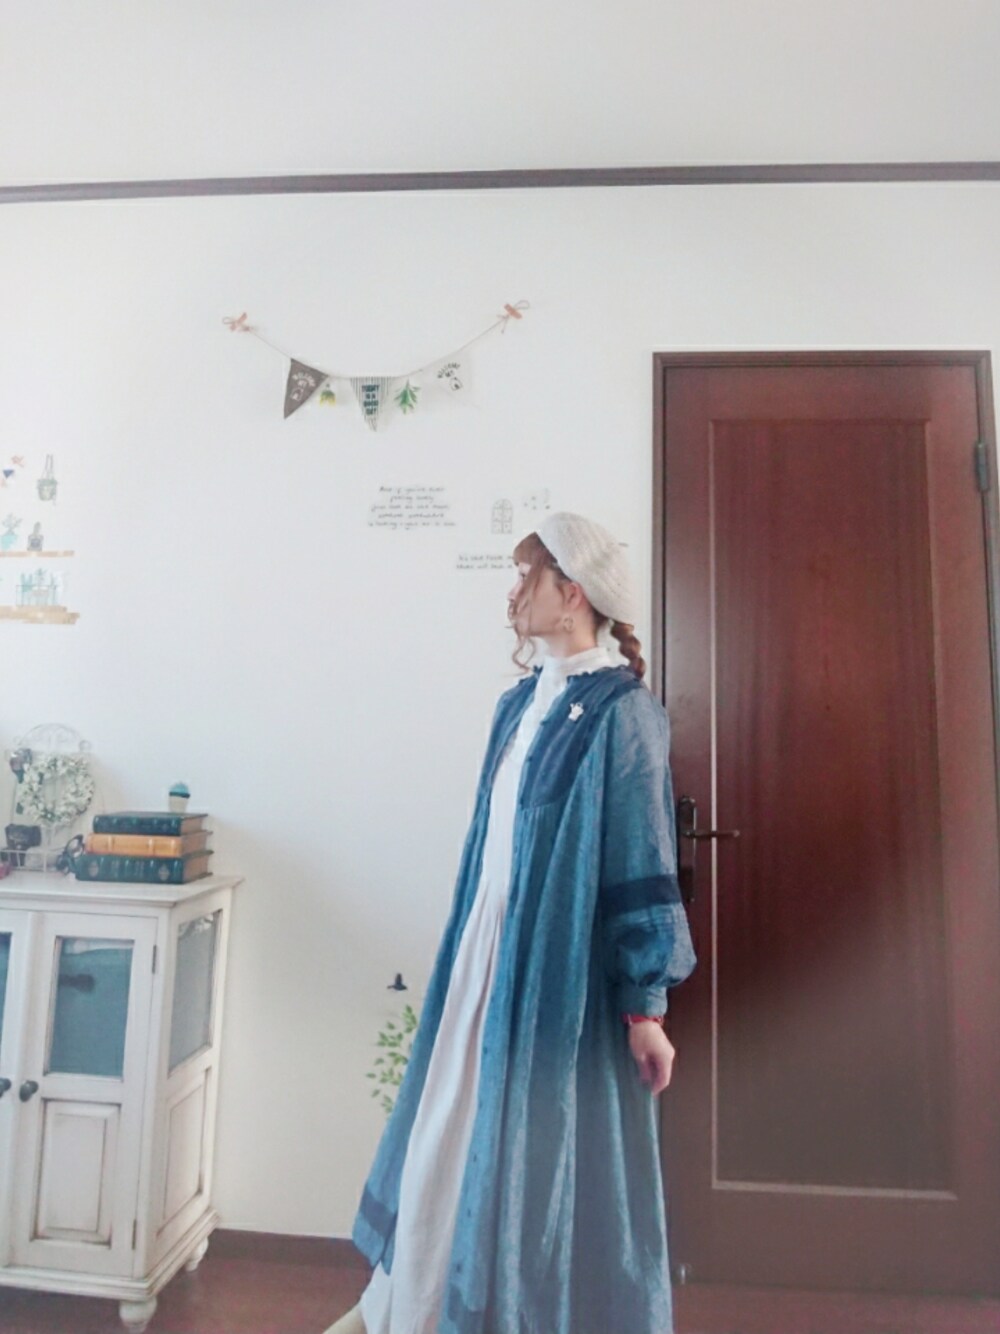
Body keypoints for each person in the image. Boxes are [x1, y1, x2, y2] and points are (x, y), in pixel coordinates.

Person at [326, 513, 697, 1334]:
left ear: (573, 593)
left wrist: (646, 1007)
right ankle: (407, 1307)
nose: (514, 593)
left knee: (533, 1155)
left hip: (556, 975)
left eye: (528, 577)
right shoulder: (518, 704)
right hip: (484, 958)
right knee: (447, 1123)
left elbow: (641, 858)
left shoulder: (624, 713)